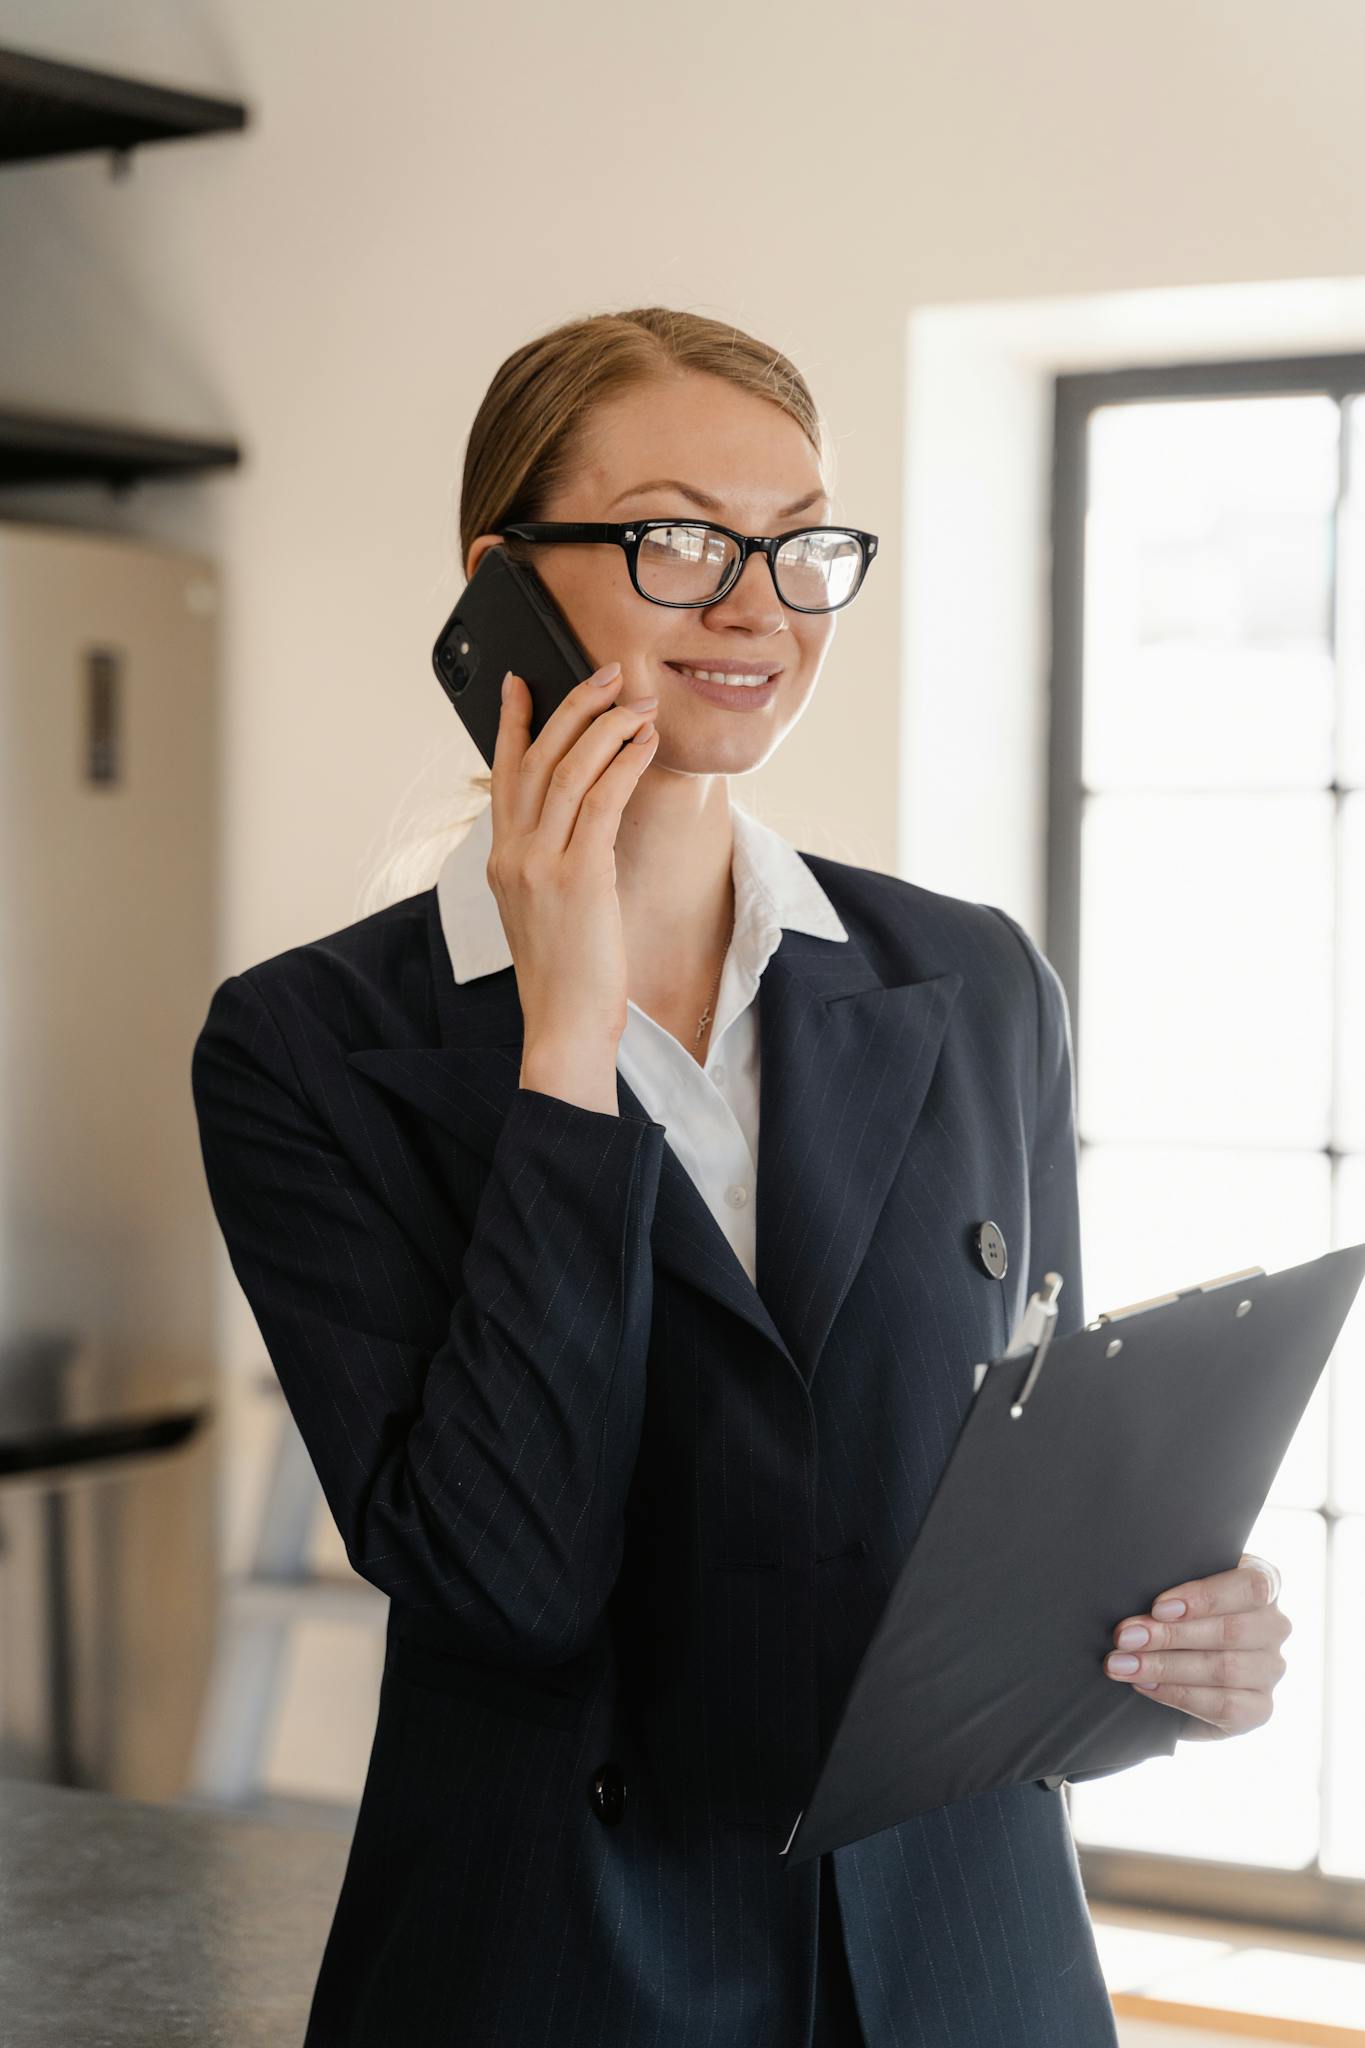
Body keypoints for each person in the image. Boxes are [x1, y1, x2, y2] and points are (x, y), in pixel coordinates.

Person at [190, 306, 1291, 2048]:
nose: (759, 607)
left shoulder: (971, 978)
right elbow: (506, 1586)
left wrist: (1172, 1637)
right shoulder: (309, 1048)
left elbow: (1019, 1473)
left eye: (802, 547)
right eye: (683, 537)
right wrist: (564, 1043)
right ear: (504, 583)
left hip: (962, 1955)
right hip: (560, 1962)